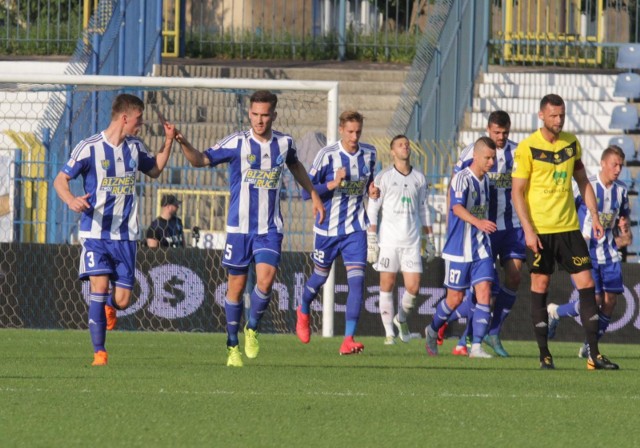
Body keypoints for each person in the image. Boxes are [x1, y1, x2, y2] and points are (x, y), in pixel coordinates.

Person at [174, 90, 324, 368]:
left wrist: (313, 194)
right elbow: (200, 160)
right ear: (249, 114)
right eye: (255, 114)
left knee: (266, 281)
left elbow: (295, 165)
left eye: (265, 114)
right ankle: (232, 346)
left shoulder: (284, 143)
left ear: (274, 115)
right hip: (239, 228)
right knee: (236, 286)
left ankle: (251, 328)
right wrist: (183, 142)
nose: (259, 120)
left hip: (269, 227)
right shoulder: (237, 143)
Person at [53, 93, 176, 366]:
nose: (140, 124)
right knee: (98, 286)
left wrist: (168, 142)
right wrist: (71, 199)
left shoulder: (134, 147)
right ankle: (100, 353)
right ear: (124, 118)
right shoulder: (89, 148)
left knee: (122, 300)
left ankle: (112, 306)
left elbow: (154, 169)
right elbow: (60, 180)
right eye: (138, 119)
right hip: (95, 234)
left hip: (125, 237)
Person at [511, 93, 619, 370]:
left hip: (570, 229)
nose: (559, 120)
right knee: (540, 286)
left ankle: (594, 354)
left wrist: (594, 216)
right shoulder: (527, 148)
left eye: (562, 115)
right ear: (541, 116)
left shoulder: (571, 143)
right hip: (540, 231)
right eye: (554, 115)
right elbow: (517, 193)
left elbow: (583, 181)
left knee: (587, 285)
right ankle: (544, 354)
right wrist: (529, 231)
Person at [440, 111, 524, 357]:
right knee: (480, 290)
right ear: (488, 130)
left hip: (510, 226)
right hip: (480, 229)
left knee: (515, 276)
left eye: (505, 132)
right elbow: (455, 185)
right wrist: (451, 223)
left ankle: (493, 330)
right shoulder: (472, 153)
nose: (500, 137)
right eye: (496, 132)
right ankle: (464, 337)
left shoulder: (518, 153)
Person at [295, 110, 378, 355]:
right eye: (350, 131)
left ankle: (348, 339)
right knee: (320, 278)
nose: (354, 136)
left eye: (358, 132)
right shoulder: (326, 156)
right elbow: (305, 192)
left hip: (355, 229)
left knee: (357, 282)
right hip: (327, 229)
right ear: (341, 130)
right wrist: (333, 183)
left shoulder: (370, 154)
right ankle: (303, 308)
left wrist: (373, 191)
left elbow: (370, 181)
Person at [547, 145, 632, 356]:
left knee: (610, 301)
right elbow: (566, 208)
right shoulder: (586, 186)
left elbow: (623, 217)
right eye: (614, 164)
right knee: (593, 300)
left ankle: (587, 345)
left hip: (609, 253)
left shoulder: (621, 190)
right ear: (603, 163)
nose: (618, 169)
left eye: (621, 165)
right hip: (585, 251)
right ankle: (556, 312)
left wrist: (625, 228)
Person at [424, 136, 497, 358]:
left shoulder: (487, 181)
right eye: (487, 158)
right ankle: (432, 329)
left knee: (484, 292)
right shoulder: (461, 180)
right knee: (454, 298)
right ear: (475, 156)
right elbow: (456, 208)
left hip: (481, 248)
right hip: (458, 249)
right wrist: (478, 222)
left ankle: (475, 346)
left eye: (493, 158)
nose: (491, 162)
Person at [366, 135, 435, 345]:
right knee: (387, 283)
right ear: (392, 152)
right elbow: (373, 207)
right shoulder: (383, 177)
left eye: (406, 144)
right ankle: (389, 333)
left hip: (412, 241)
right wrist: (371, 238)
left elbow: (424, 208)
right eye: (400, 145)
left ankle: (400, 319)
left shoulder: (419, 178)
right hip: (388, 241)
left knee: (413, 287)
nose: (405, 147)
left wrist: (429, 238)